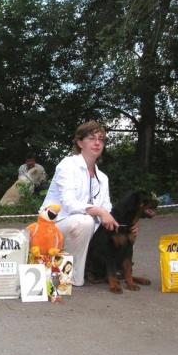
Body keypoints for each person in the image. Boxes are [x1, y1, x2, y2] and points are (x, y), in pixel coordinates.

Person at [40, 121, 119, 286]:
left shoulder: (103, 178)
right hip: (52, 225)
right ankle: (66, 275)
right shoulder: (68, 165)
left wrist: (125, 224)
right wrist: (99, 211)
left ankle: (76, 275)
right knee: (84, 221)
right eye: (92, 138)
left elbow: (107, 208)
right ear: (80, 142)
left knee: (99, 225)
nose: (97, 143)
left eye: (101, 139)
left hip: (84, 229)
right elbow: (69, 204)